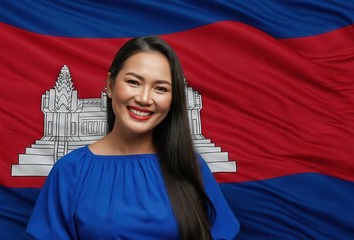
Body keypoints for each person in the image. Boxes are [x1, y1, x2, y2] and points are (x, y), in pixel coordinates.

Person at [26, 36, 239, 240]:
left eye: (160, 88)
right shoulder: (69, 171)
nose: (144, 98)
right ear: (110, 85)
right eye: (134, 82)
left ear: (173, 100)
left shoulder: (191, 166)